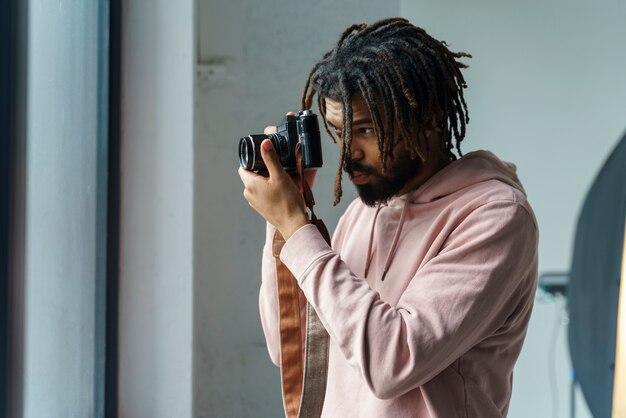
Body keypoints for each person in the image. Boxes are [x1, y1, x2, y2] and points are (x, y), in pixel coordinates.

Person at [239, 17, 538, 418]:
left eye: (365, 130)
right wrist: (286, 220)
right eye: (338, 131)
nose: (347, 154)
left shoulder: (495, 217)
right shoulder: (364, 213)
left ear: (429, 116)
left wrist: (297, 228)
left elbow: (392, 364)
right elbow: (290, 345)